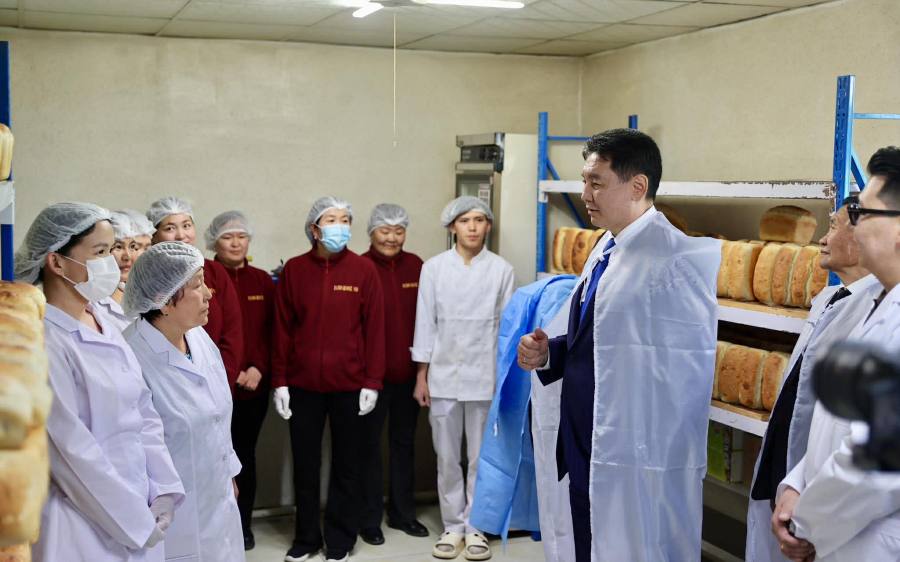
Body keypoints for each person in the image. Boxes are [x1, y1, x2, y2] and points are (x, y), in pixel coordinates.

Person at [517, 129, 721, 562]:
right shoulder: (607, 245)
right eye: (584, 180)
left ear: (638, 186)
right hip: (584, 433)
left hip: (631, 448)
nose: (585, 194)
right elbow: (603, 339)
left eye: (597, 182)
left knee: (627, 544)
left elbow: (683, 366)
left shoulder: (673, 260)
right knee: (586, 541)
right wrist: (550, 353)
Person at [15, 202, 184, 562]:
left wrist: (163, 490)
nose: (112, 262)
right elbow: (71, 452)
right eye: (101, 252)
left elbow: (144, 413)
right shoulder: (43, 339)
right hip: (82, 523)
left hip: (141, 507)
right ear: (56, 262)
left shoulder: (106, 323)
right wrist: (134, 520)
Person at [773, 146, 900, 562]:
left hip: (872, 541)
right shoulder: (876, 306)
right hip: (840, 529)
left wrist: (807, 521)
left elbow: (878, 458)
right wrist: (796, 485)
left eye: (862, 214)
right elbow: (834, 426)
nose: (852, 228)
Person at [745, 195, 881, 561]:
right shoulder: (829, 297)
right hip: (788, 467)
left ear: (863, 237)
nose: (822, 238)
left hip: (827, 495)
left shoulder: (875, 310)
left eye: (833, 227)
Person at [271, 196, 386, 562]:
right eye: (332, 219)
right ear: (315, 229)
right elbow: (282, 329)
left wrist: (372, 382)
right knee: (305, 465)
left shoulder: (363, 270)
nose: (340, 226)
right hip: (303, 385)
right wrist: (280, 381)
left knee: (348, 465)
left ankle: (340, 539)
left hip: (350, 385)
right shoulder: (295, 270)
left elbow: (375, 330)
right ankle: (306, 538)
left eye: (345, 219)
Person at [123, 242, 245, 562]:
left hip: (218, 501)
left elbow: (217, 416)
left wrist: (229, 471)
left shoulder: (197, 337)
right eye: (197, 285)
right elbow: (130, 451)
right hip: (172, 515)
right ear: (164, 301)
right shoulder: (131, 357)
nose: (209, 293)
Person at [411, 195, 515, 561]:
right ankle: (453, 525)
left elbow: (506, 329)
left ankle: (477, 527)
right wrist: (421, 376)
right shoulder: (434, 269)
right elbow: (425, 323)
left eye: (479, 220)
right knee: (447, 457)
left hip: (486, 377)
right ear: (452, 227)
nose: (472, 227)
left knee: (481, 458)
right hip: (442, 377)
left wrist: (504, 378)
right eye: (465, 220)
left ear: (488, 226)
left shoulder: (501, 270)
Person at [205, 210, 275, 551]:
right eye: (227, 237)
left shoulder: (262, 281)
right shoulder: (204, 277)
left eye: (241, 236)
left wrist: (258, 367)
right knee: (214, 458)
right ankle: (216, 528)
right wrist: (229, 373)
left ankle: (243, 525)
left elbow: (270, 331)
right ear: (213, 242)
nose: (235, 243)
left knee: (245, 456)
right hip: (214, 385)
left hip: (253, 387)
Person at [358, 203, 427, 545]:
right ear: (372, 232)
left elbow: (427, 321)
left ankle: (403, 514)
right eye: (385, 231)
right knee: (367, 448)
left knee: (404, 445)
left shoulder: (417, 267)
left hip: (408, 376)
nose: (392, 238)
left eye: (398, 231)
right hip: (368, 380)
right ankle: (369, 519)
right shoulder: (359, 267)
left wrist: (422, 374)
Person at [146, 196, 245, 391]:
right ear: (154, 235)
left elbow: (233, 333)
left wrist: (220, 381)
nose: (181, 235)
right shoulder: (148, 278)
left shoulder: (215, 272)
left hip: (217, 380)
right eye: (170, 228)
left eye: (187, 225)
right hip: (164, 382)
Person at [94, 210, 141, 333]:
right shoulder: (92, 302)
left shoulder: (136, 292)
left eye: (132, 247)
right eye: (118, 247)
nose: (128, 256)